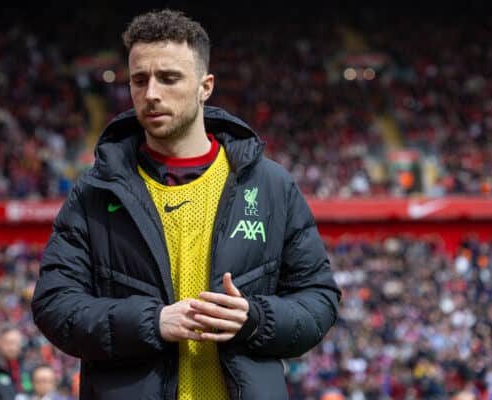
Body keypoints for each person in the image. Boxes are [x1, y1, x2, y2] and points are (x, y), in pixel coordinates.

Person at [32, 9, 340, 400]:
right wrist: (152, 322)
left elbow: (319, 299)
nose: (151, 94)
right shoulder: (94, 192)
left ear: (205, 86)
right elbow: (54, 304)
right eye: (139, 81)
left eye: (169, 78)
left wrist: (254, 318)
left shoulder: (271, 186)